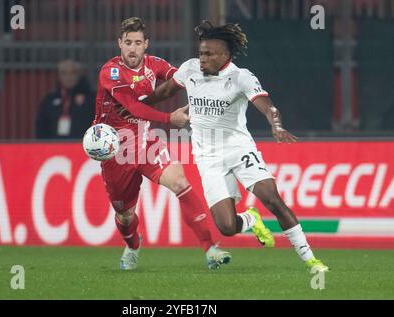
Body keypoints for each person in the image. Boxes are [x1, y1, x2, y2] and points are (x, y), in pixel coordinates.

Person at [142, 21, 329, 272]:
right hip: (207, 157)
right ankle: (252, 219)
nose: (202, 58)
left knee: (272, 198)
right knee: (227, 227)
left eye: (209, 54)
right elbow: (164, 91)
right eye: (201, 53)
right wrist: (138, 105)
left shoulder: (241, 77)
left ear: (226, 55)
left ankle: (310, 260)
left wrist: (276, 126)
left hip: (238, 149)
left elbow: (267, 105)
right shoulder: (189, 70)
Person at [93, 17, 270, 271]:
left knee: (180, 182)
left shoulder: (155, 65)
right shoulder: (110, 72)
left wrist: (212, 87)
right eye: (128, 43)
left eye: (138, 43)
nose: (133, 48)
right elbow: (132, 106)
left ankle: (211, 249)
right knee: (125, 215)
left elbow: (185, 77)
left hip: (144, 141)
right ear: (119, 43)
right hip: (117, 152)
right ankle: (132, 246)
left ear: (146, 45)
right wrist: (169, 118)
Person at [35, 59, 95, 140]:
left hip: (81, 145)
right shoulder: (50, 99)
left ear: (79, 75)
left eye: (73, 72)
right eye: (64, 73)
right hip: (53, 147)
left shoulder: (90, 98)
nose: (68, 77)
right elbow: (41, 125)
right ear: (59, 76)